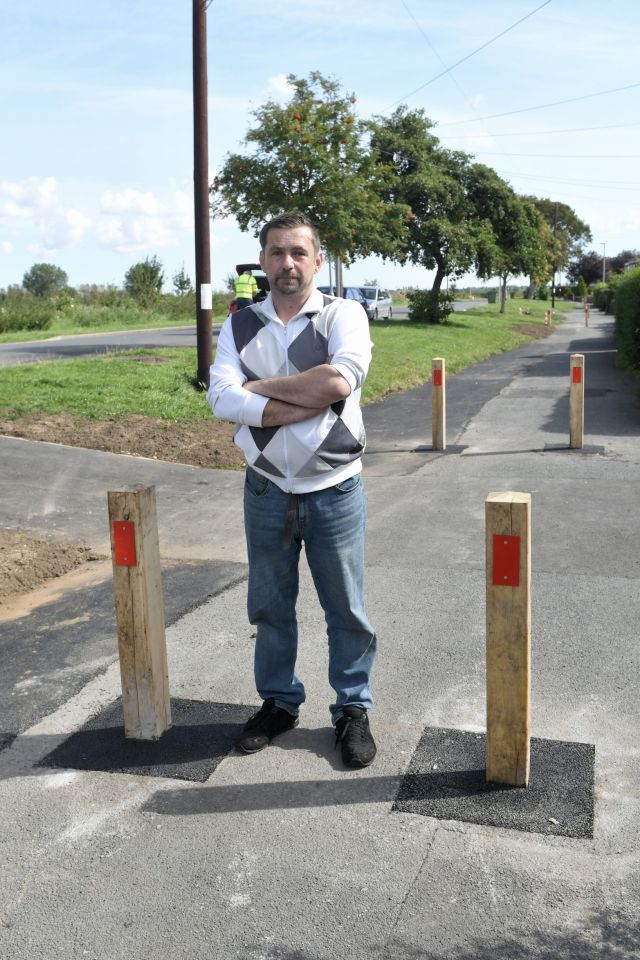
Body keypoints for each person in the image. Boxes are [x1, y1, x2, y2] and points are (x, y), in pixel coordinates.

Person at [208, 212, 377, 769]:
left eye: (298, 252)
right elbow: (220, 400)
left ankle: (352, 710)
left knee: (345, 609)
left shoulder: (342, 314)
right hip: (267, 491)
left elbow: (337, 382)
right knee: (270, 606)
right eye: (276, 252)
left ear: (317, 259)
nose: (287, 262)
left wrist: (256, 392)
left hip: (334, 489)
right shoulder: (238, 325)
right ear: (262, 260)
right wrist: (300, 399)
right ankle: (279, 702)